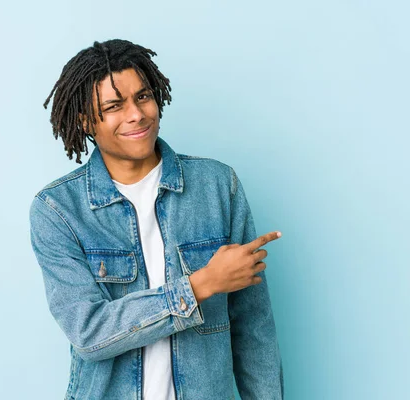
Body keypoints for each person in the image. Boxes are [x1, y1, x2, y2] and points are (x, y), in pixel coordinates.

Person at [29, 38, 284, 400]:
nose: (136, 114)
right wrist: (200, 285)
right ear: (86, 121)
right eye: (114, 106)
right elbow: (89, 333)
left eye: (143, 97)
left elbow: (254, 328)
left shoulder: (217, 187)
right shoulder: (58, 210)